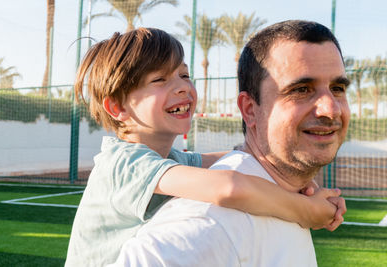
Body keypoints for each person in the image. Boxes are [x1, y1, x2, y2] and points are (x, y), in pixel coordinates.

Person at [65, 27, 344, 267]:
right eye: (160, 80)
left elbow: (238, 157)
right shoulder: (123, 164)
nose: (182, 87)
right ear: (117, 106)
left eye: (184, 75)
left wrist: (295, 175)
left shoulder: (168, 159)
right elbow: (229, 187)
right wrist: (305, 209)